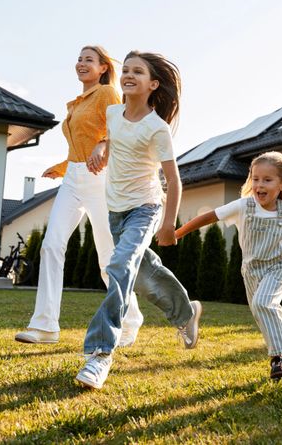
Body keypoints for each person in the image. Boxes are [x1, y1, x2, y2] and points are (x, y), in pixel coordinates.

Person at [75, 51, 202, 389]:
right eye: (126, 70)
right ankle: (186, 313)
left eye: (138, 72)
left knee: (118, 267)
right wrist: (102, 148)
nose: (128, 75)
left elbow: (173, 180)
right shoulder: (113, 113)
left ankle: (100, 354)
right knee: (143, 275)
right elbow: (113, 139)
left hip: (145, 209)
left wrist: (168, 224)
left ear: (153, 84)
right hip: (115, 209)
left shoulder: (157, 128)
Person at [15, 45, 144, 347]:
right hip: (73, 177)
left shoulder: (107, 94)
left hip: (100, 179)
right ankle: (45, 325)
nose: (82, 63)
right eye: (79, 59)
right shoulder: (75, 104)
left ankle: (130, 317)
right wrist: (61, 167)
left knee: (107, 257)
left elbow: (118, 128)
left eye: (89, 60)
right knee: (51, 245)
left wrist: (103, 144)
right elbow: (78, 146)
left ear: (102, 68)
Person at [176, 151, 282, 381]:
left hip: (278, 267)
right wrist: (179, 232)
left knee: (263, 303)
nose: (260, 184)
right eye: (255, 179)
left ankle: (278, 358)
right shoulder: (244, 206)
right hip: (251, 272)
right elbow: (211, 216)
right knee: (265, 314)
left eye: (267, 180)